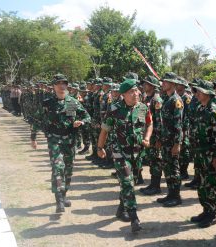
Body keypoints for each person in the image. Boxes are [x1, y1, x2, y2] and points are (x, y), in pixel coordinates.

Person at [97, 79, 153, 232]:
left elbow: (149, 123)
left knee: (130, 182)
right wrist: (99, 148)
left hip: (137, 153)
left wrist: (147, 137)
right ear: (123, 95)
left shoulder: (143, 107)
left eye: (136, 91)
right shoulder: (114, 109)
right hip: (120, 152)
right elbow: (105, 129)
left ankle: (121, 209)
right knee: (128, 182)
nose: (135, 94)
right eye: (131, 92)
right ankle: (134, 217)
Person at [30, 73, 91, 213]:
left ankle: (63, 195)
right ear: (54, 86)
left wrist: (81, 122)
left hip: (70, 141)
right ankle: (59, 200)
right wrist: (33, 138)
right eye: (59, 83)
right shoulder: (47, 103)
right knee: (58, 168)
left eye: (64, 83)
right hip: (54, 140)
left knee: (68, 170)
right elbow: (36, 120)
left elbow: (87, 116)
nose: (62, 86)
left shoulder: (73, 102)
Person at [190, 80, 216, 228]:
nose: (196, 94)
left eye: (199, 91)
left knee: (211, 184)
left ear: (208, 94)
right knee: (202, 185)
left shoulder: (213, 111)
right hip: (200, 154)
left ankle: (212, 214)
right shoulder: (200, 108)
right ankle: (205, 210)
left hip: (210, 155)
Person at [155, 72, 184, 207]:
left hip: (172, 142)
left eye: (165, 81)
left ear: (173, 83)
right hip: (166, 141)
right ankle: (170, 194)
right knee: (167, 168)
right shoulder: (166, 99)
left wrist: (177, 144)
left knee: (174, 169)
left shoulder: (176, 100)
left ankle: (176, 196)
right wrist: (160, 138)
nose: (163, 83)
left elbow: (178, 124)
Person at [139, 76, 164, 196]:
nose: (144, 85)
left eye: (146, 84)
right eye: (144, 83)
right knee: (151, 160)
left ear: (153, 86)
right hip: (148, 134)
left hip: (155, 136)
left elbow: (159, 121)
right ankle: (153, 184)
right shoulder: (147, 98)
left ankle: (156, 186)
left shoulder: (156, 100)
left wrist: (159, 138)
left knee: (156, 160)